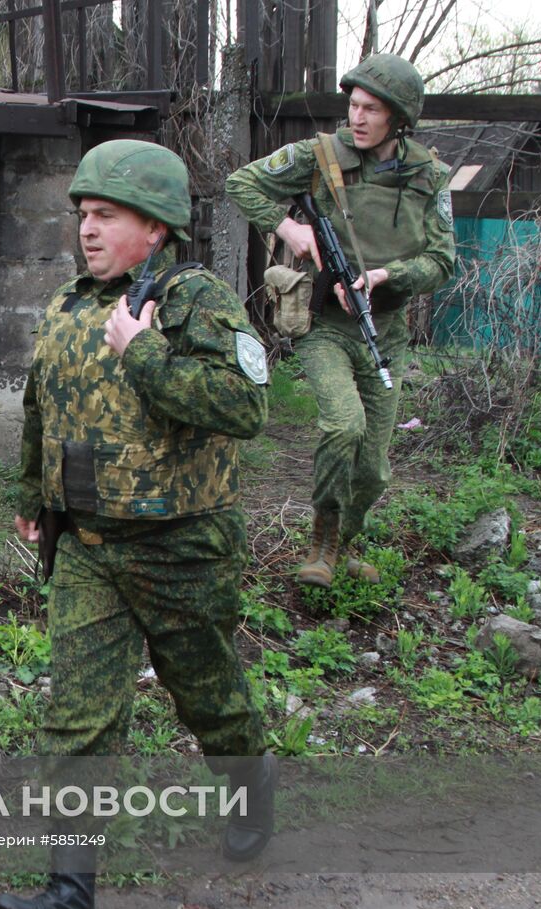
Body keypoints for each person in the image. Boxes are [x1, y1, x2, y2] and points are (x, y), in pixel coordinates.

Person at [0, 139, 275, 909]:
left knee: (208, 693)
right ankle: (69, 900)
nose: (87, 229)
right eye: (82, 214)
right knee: (77, 718)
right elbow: (41, 409)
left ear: (154, 227)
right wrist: (32, 500)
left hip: (180, 546)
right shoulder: (71, 305)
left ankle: (249, 790)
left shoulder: (192, 302)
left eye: (105, 216)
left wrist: (141, 350)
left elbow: (243, 406)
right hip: (89, 546)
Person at [225, 53, 455, 587]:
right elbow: (243, 183)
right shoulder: (320, 155)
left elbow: (443, 261)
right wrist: (291, 229)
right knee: (342, 425)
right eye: (353, 105)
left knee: (373, 466)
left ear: (399, 118)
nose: (358, 117)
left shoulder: (430, 175)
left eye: (371, 109)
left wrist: (385, 276)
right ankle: (322, 545)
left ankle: (345, 540)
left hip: (387, 330)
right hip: (325, 323)